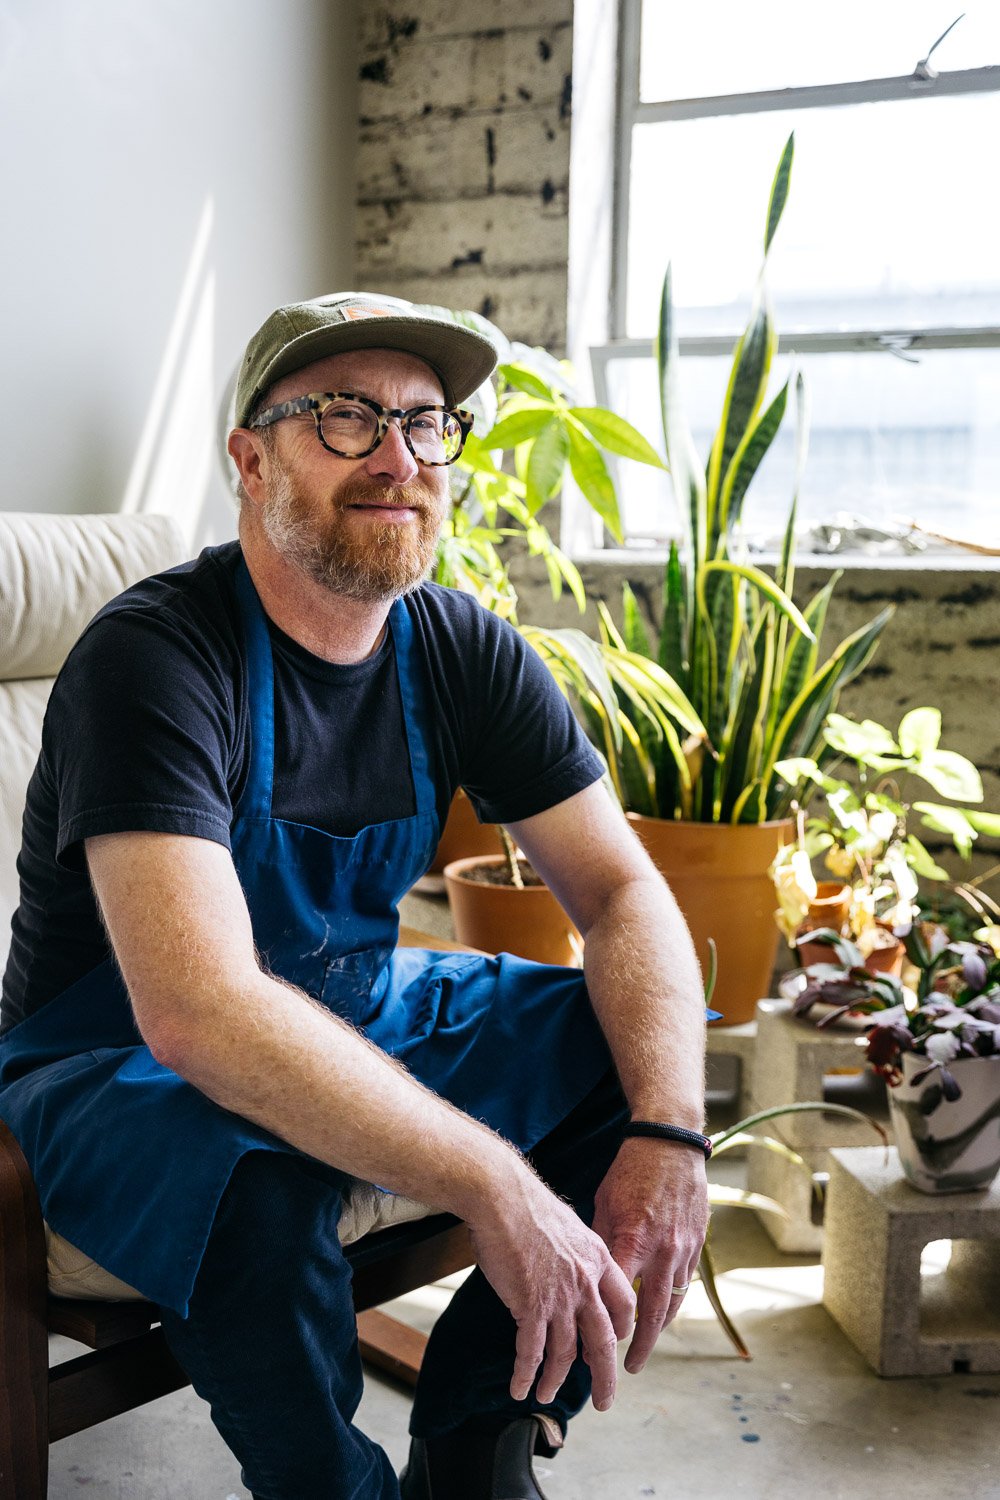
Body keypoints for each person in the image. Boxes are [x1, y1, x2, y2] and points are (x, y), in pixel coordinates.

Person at [0, 293, 712, 1500]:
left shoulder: (456, 646)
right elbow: (199, 1014)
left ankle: (478, 1442)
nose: (396, 458)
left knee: (633, 1046)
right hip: (115, 1063)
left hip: (351, 1001)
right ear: (250, 457)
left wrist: (671, 1137)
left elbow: (624, 892)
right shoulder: (156, 659)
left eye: (427, 423)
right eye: (343, 418)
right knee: (257, 1180)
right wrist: (496, 1186)